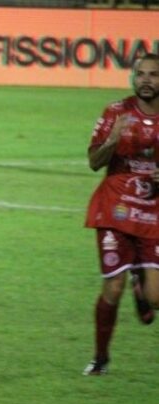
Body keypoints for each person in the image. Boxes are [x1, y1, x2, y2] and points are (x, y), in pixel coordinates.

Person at [83, 53, 159, 376]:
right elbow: (94, 162)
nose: (146, 80)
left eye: (154, 75)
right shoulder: (115, 112)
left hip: (153, 211)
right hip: (115, 207)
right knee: (111, 288)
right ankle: (100, 358)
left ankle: (141, 286)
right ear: (132, 77)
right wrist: (113, 140)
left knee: (155, 300)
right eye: (140, 74)